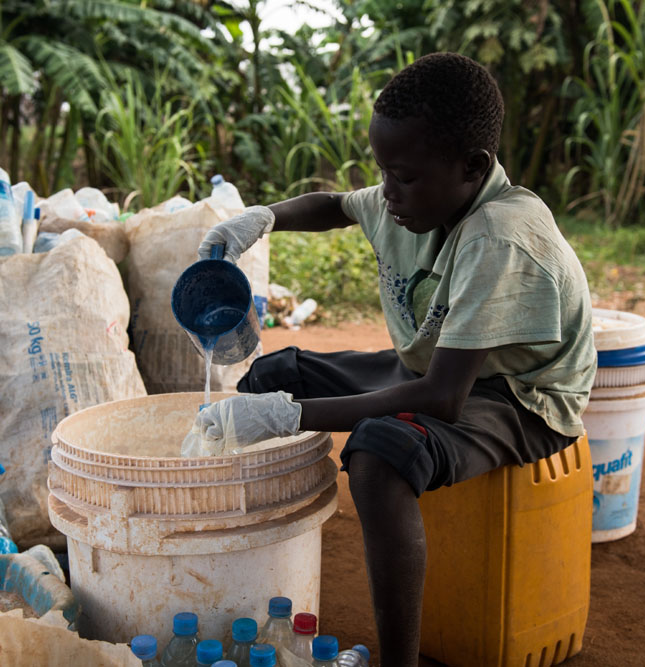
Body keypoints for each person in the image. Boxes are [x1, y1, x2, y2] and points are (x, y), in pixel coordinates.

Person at [192, 52, 596, 666]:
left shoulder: (499, 237)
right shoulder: (418, 192)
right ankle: (251, 581)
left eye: (400, 176)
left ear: (473, 167)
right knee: (276, 373)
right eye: (383, 172)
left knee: (379, 456)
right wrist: (263, 220)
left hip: (517, 396)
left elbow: (443, 399)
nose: (387, 191)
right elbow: (337, 203)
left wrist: (287, 417)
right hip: (438, 367)